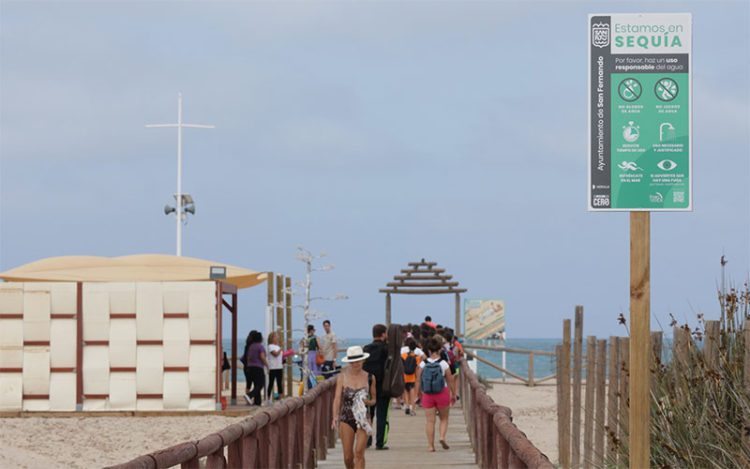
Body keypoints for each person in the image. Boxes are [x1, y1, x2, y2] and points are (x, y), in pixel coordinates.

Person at [332, 346, 377, 469]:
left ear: (363, 360)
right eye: (352, 361)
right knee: (348, 457)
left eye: (358, 360)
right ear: (349, 362)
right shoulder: (342, 377)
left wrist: (367, 402)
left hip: (363, 418)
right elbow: (337, 399)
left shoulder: (370, 377)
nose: (355, 363)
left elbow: (374, 400)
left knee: (359, 453)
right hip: (346, 418)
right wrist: (334, 416)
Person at [415, 336, 457, 452]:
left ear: (428, 350)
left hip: (427, 394)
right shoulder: (444, 364)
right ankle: (442, 437)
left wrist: (418, 394)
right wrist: (454, 393)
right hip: (442, 393)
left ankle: (430, 446)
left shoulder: (423, 364)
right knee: (444, 418)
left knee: (430, 421)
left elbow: (418, 380)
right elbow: (450, 380)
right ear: (440, 350)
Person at [363, 324, 389, 450]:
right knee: (382, 414)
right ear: (383, 334)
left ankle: (367, 440)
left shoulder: (366, 348)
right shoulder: (386, 348)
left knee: (369, 413)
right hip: (383, 384)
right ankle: (380, 442)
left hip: (368, 384)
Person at [243, 330, 268, 406]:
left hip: (250, 367)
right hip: (258, 367)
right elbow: (262, 357)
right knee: (260, 384)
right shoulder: (260, 346)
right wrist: (267, 365)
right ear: (260, 339)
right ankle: (249, 395)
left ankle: (257, 402)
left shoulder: (251, 346)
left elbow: (248, 357)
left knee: (256, 384)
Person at [401, 338, 422, 415]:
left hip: (405, 376)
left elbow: (402, 366)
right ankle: (412, 409)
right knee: (412, 391)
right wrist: (417, 377)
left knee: (406, 391)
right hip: (412, 376)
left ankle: (406, 406)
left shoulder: (403, 355)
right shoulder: (417, 357)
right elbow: (417, 368)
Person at [267, 331, 283, 401]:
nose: (277, 337)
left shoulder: (277, 346)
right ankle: (268, 398)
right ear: (272, 338)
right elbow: (275, 354)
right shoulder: (270, 346)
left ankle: (280, 398)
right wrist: (281, 349)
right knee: (271, 383)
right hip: (273, 367)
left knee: (279, 383)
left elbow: (280, 356)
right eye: (276, 336)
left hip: (279, 367)